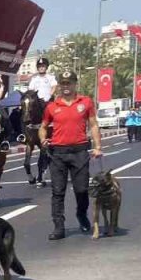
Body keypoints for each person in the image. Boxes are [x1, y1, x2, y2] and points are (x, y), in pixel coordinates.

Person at [39, 69, 101, 240]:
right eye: (63, 83)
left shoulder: (86, 102)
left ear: (75, 84)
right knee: (58, 192)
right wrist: (43, 139)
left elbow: (93, 125)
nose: (66, 86)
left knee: (81, 190)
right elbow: (43, 127)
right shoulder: (51, 107)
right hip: (57, 154)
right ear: (59, 86)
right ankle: (59, 227)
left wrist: (97, 146)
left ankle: (81, 214)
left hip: (80, 152)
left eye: (69, 83)